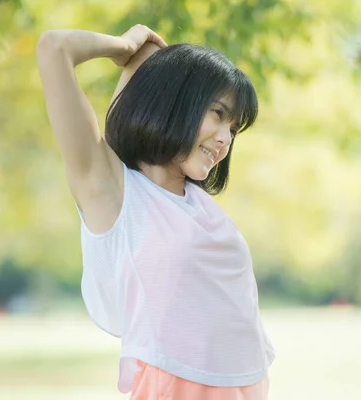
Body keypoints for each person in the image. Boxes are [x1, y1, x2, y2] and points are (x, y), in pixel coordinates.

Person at [36, 24, 275, 399]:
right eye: (217, 113)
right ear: (175, 103)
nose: (226, 139)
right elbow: (54, 48)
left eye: (233, 128)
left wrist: (145, 54)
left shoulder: (195, 204)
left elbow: (149, 67)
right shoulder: (115, 194)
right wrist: (124, 46)